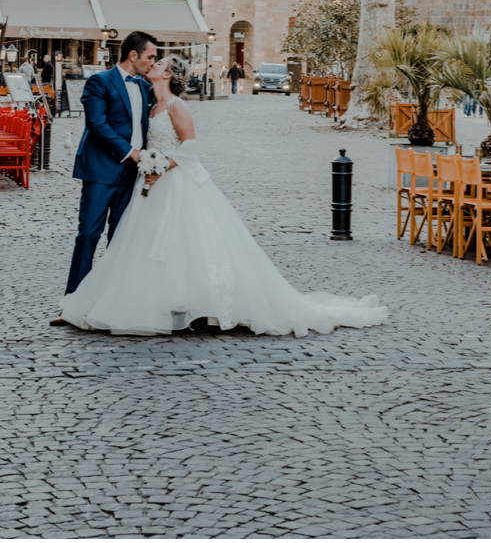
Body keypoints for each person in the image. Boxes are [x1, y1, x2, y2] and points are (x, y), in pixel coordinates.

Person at [61, 55, 388, 337]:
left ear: (168, 75)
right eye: (153, 60)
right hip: (150, 183)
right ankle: (163, 301)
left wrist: (162, 166)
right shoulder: (150, 101)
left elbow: (190, 148)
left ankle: (200, 303)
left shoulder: (175, 105)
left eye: (158, 64)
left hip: (175, 182)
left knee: (188, 241)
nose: (153, 64)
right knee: (150, 243)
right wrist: (148, 165)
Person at [61, 31, 161, 308]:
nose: (153, 62)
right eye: (150, 57)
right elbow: (97, 125)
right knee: (89, 234)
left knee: (121, 237)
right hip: (101, 171)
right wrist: (132, 153)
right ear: (133, 55)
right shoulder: (99, 81)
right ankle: (74, 300)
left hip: (134, 175)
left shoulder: (143, 86)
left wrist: (152, 160)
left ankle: (111, 299)